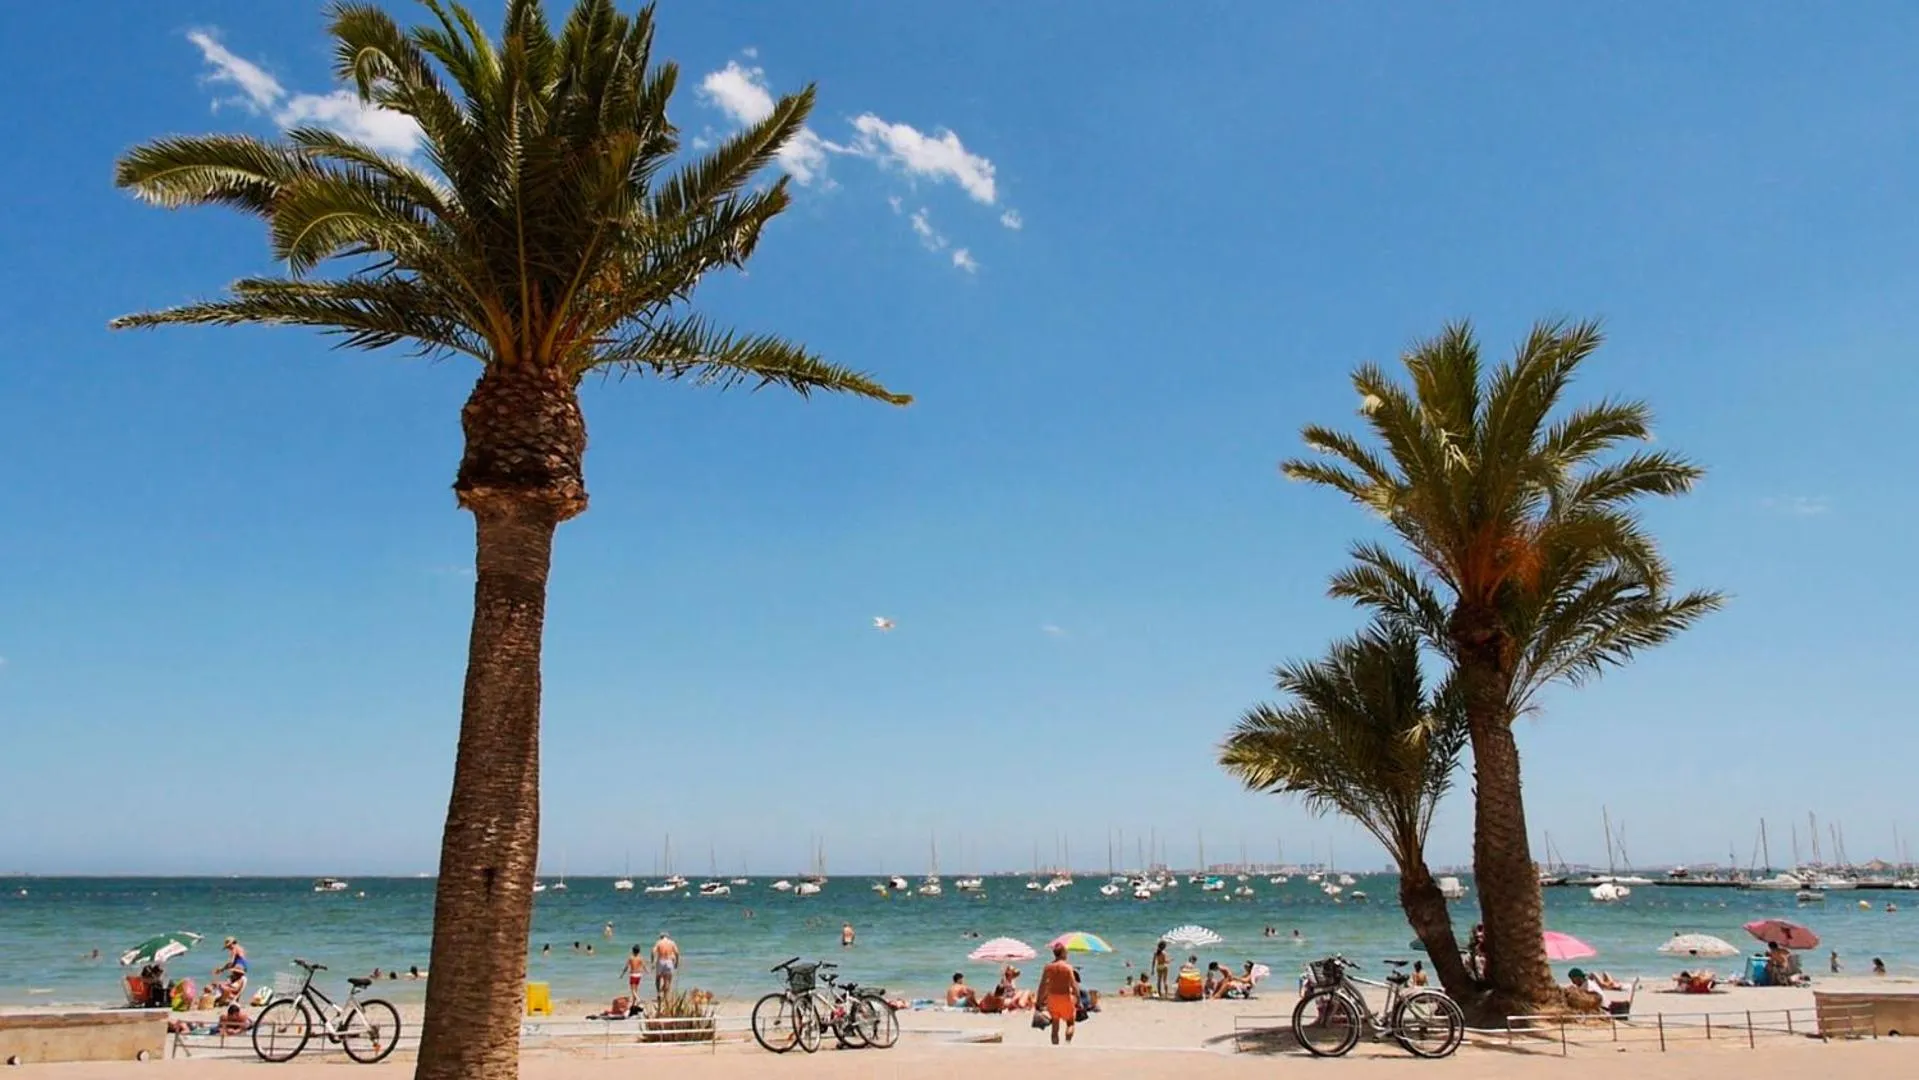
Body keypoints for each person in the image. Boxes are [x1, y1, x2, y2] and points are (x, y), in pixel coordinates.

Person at [1037, 944, 1081, 1045]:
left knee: (1055, 1026)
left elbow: (1042, 985)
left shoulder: (1048, 967)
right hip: (1065, 998)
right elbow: (1074, 985)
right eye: (1066, 952)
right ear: (1063, 953)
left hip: (1052, 999)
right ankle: (1067, 1043)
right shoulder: (1068, 968)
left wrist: (1039, 1001)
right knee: (1070, 1023)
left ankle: (1055, 1048)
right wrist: (1078, 999)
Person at [652, 933, 680, 999]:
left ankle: (658, 993)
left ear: (661, 937)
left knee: (658, 978)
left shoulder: (659, 942)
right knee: (667, 980)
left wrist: (652, 962)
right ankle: (665, 996)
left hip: (661, 961)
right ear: (667, 937)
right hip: (669, 961)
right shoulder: (672, 943)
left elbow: (653, 951)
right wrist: (677, 962)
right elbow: (677, 953)